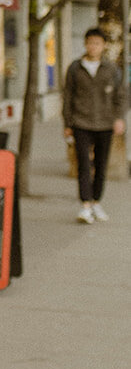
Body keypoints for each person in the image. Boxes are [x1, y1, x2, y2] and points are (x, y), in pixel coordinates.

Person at [63, 26, 125, 224]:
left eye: (97, 43)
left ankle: (96, 201)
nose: (93, 47)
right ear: (85, 44)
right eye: (90, 43)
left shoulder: (112, 69)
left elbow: (120, 96)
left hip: (105, 123)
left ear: (103, 46)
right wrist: (67, 123)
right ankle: (85, 205)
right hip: (81, 122)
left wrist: (119, 118)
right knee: (83, 164)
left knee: (101, 164)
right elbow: (68, 96)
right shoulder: (75, 67)